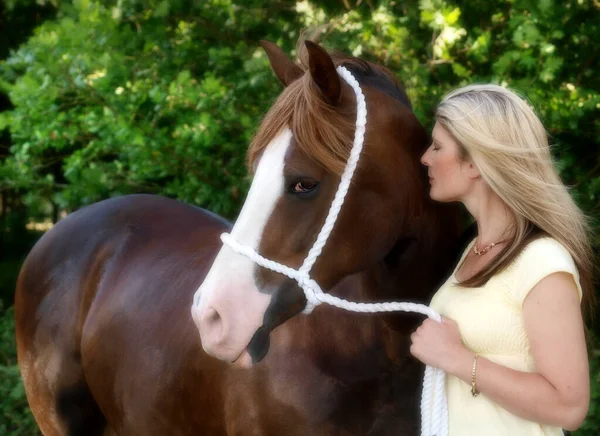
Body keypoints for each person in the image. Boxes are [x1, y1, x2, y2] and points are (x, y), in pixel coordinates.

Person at [410, 84, 595, 435]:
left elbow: (569, 406)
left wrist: (457, 359)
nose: (425, 158)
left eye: (437, 146)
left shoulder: (541, 261)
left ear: (475, 163)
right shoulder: (473, 251)